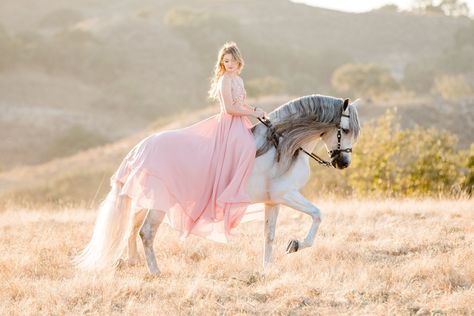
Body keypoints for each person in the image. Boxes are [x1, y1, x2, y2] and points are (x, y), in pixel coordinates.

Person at [110, 41, 267, 243]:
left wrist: (257, 112)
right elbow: (229, 109)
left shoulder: (239, 80)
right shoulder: (225, 81)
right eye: (225, 61)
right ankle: (227, 191)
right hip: (228, 124)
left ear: (238, 60)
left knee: (252, 145)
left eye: (231, 60)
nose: (228, 64)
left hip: (240, 123)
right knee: (246, 147)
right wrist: (254, 112)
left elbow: (241, 104)